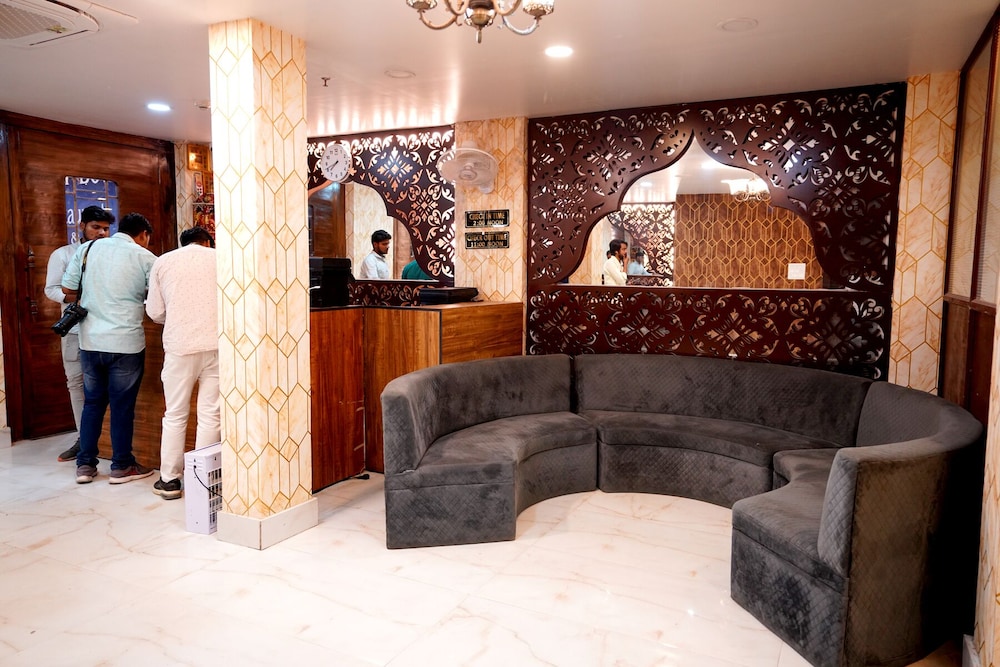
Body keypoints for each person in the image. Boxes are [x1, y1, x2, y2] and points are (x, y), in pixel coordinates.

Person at [62, 212, 157, 485]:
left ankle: (85, 465)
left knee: (92, 403)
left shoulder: (88, 248)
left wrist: (97, 292)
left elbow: (67, 289)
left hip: (90, 340)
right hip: (126, 342)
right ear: (143, 235)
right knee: (121, 406)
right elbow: (158, 299)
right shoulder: (145, 257)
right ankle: (121, 466)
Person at [145, 226, 221, 500]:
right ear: (207, 242)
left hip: (180, 346)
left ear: (183, 243)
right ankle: (203, 481)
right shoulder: (222, 258)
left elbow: (155, 311)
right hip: (217, 344)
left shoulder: (163, 261)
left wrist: (179, 317)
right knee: (211, 415)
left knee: (175, 414)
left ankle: (169, 480)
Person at [45, 205, 113, 462]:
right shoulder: (63, 254)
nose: (101, 233)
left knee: (105, 386)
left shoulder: (113, 255)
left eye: (106, 229)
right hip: (74, 329)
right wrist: (78, 297)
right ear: (82, 226)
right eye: (96, 227)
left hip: (105, 329)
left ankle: (105, 441)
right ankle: (82, 439)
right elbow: (51, 289)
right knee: (76, 383)